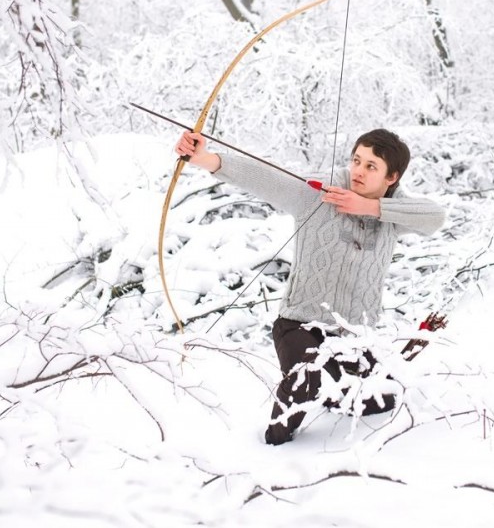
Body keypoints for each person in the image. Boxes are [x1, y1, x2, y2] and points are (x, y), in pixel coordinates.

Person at [174, 128, 446, 445]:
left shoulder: (395, 214)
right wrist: (204, 158)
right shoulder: (317, 193)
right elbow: (262, 177)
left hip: (354, 336)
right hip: (300, 323)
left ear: (392, 177)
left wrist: (368, 207)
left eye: (371, 166)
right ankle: (274, 446)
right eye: (357, 160)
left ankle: (337, 395)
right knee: (305, 380)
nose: (358, 170)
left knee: (379, 401)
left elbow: (435, 217)